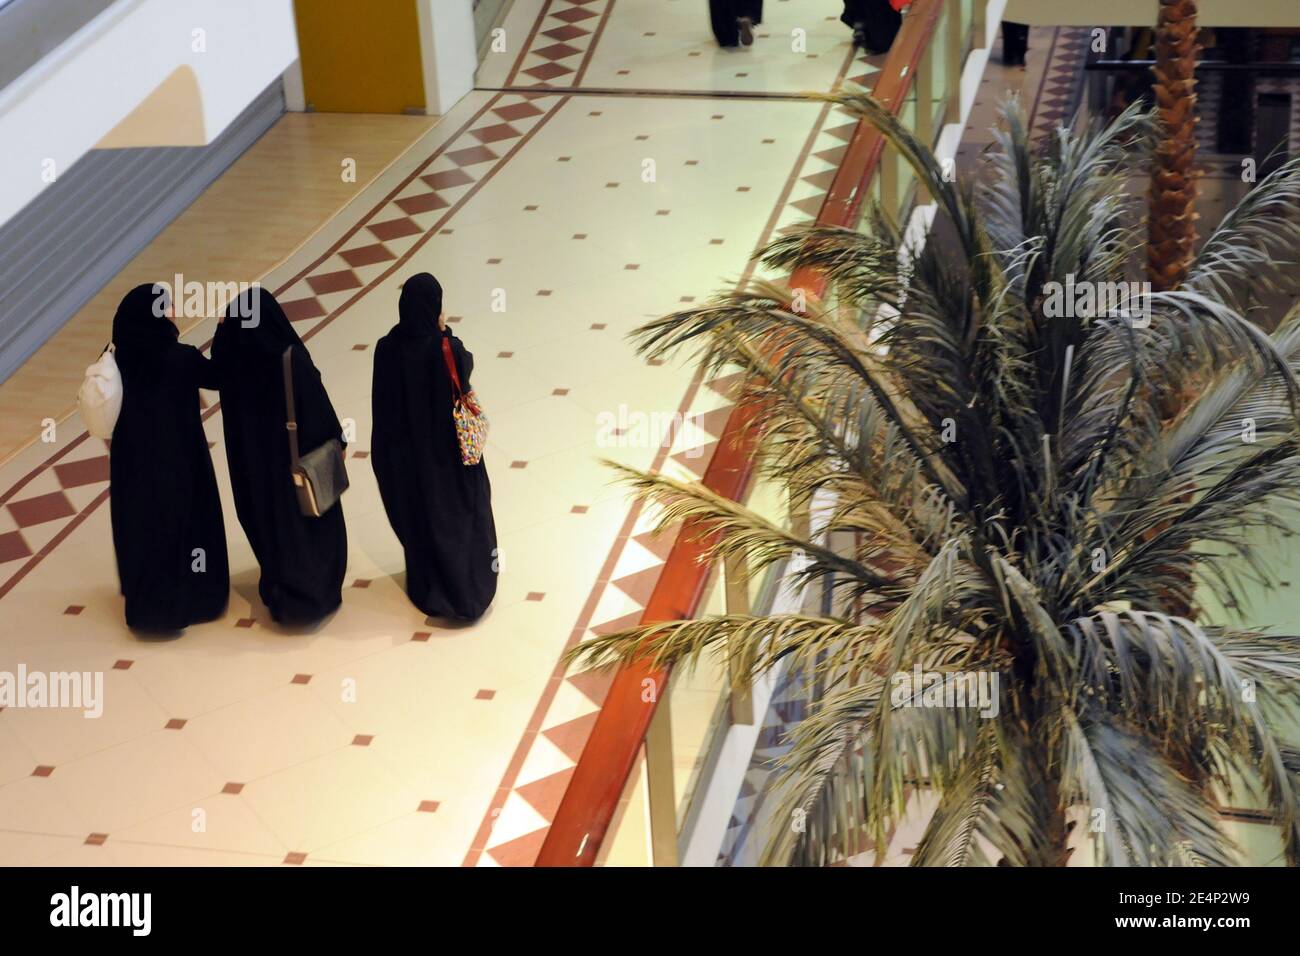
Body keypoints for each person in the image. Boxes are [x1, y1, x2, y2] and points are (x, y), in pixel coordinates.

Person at [213, 286, 347, 625]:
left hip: (258, 472)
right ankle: (318, 593)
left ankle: (283, 592)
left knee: (272, 529)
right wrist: (338, 441)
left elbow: (216, 365)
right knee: (311, 526)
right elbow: (317, 408)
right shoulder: (290, 359)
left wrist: (223, 330)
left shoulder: (236, 365)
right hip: (297, 465)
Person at [372, 273, 498, 621]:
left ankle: (430, 586)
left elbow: (381, 403)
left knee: (421, 518)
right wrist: (446, 332)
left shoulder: (387, 348)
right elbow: (464, 370)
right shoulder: (446, 348)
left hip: (406, 458)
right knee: (459, 516)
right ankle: (466, 590)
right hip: (450, 457)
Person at [109, 283, 228, 631]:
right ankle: (192, 598)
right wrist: (223, 333)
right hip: (178, 456)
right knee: (183, 525)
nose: (174, 310)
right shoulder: (180, 357)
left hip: (132, 459)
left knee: (142, 525)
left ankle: (147, 602)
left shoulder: (117, 357)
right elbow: (218, 376)